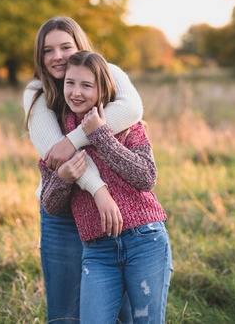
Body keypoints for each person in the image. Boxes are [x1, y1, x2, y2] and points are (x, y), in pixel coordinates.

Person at [23, 17, 144, 324]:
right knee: (66, 313)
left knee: (120, 311)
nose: (57, 56)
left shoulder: (108, 72)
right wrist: (99, 189)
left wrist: (74, 139)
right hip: (62, 212)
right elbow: (63, 159)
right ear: (40, 56)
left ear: (80, 46)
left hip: (111, 208)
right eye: (48, 50)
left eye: (66, 47)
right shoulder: (36, 93)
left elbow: (131, 110)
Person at [38, 50, 173, 324]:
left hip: (144, 240)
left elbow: (146, 177)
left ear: (102, 88)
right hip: (97, 252)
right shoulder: (58, 138)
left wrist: (100, 135)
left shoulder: (126, 126)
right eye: (70, 83)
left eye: (86, 85)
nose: (76, 92)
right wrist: (63, 177)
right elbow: (50, 206)